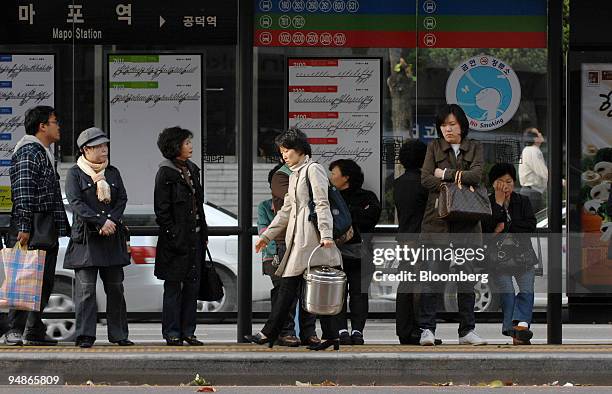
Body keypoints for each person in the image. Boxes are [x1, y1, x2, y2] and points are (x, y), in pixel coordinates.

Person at [245, 128, 342, 350]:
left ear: (299, 150)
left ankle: (268, 333)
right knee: (314, 289)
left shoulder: (313, 170)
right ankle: (331, 336)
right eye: (281, 151)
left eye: (286, 150)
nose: (283, 156)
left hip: (313, 241)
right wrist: (267, 236)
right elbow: (286, 211)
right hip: (299, 241)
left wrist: (326, 235)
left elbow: (322, 203)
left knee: (292, 288)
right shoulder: (296, 173)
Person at [418, 103, 487, 346]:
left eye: (452, 124)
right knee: (432, 278)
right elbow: (426, 178)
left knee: (466, 279)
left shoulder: (475, 147)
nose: (447, 129)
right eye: (443, 125)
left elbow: (477, 176)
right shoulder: (433, 147)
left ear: (462, 126)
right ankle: (427, 329)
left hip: (466, 226)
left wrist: (445, 176)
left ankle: (467, 331)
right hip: (436, 225)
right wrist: (460, 183)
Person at [63, 127, 133, 348]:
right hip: (87, 241)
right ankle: (85, 335)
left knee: (116, 288)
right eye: (99, 146)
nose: (104, 150)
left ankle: (119, 334)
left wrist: (110, 220)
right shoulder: (75, 173)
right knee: (86, 291)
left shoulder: (112, 172)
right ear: (86, 149)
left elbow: (122, 198)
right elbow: (76, 203)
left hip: (111, 238)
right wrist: (100, 221)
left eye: (105, 145)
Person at [6, 106, 70, 346]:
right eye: (55, 122)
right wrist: (23, 226)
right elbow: (22, 191)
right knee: (25, 277)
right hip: (31, 225)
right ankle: (14, 328)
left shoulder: (43, 152)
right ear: (42, 126)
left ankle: (33, 328)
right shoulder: (29, 152)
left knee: (43, 281)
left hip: (44, 225)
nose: (58, 126)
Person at [154, 126, 208, 346]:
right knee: (174, 286)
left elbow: (199, 206)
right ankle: (172, 332)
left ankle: (189, 331)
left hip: (195, 237)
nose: (190, 146)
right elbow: (162, 210)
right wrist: (174, 235)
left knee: (193, 286)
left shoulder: (192, 169)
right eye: (186, 143)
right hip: (175, 241)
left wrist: (203, 233)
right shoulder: (165, 172)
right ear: (175, 146)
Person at [482, 163, 537, 345]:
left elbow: (530, 226)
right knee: (507, 292)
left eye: (509, 181)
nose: (506, 186)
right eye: (501, 182)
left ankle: (520, 327)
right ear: (493, 184)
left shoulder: (523, 201)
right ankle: (515, 331)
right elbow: (486, 229)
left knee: (527, 291)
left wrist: (506, 227)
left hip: (523, 255)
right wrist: (498, 203)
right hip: (498, 258)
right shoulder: (487, 202)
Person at [329, 159, 381, 345]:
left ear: (346, 177)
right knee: (337, 295)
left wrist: (347, 213)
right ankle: (342, 331)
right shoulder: (328, 197)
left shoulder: (367, 196)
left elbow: (371, 218)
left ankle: (357, 331)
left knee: (359, 294)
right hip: (334, 255)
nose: (330, 177)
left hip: (362, 254)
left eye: (333, 173)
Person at [393, 139, 439, 345]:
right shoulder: (424, 183)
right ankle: (418, 330)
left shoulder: (399, 182)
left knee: (406, 284)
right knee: (423, 285)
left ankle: (404, 330)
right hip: (421, 238)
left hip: (404, 237)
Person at [270, 161, 319, 347]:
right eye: (284, 152)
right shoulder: (281, 176)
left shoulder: (308, 173)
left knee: (309, 289)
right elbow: (299, 200)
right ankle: (286, 331)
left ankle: (309, 332)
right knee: (288, 290)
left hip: (309, 239)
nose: (286, 156)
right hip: (287, 241)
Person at [518, 127, 548, 213]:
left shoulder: (529, 150)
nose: (541, 134)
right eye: (538, 133)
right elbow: (543, 173)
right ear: (534, 138)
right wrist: (562, 182)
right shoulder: (533, 151)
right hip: (532, 193)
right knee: (534, 222)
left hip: (529, 192)